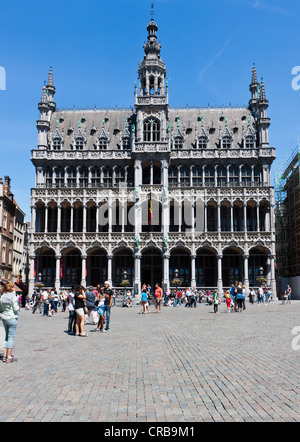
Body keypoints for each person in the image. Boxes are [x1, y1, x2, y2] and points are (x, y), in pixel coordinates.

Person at [0, 281, 20, 363]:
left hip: (4, 318)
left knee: (6, 337)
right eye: (13, 286)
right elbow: (16, 308)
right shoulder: (13, 297)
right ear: (11, 288)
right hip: (12, 318)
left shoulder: (2, 297)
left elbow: (0, 308)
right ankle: (9, 356)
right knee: (11, 337)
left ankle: (4, 356)